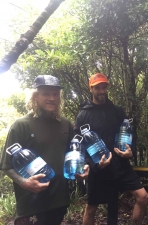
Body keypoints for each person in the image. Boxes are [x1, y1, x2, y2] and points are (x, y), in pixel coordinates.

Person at [0, 75, 89, 225]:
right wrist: (24, 182)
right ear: (35, 96)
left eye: (55, 94)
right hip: (32, 204)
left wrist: (82, 169)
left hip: (59, 201)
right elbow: (6, 166)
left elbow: (74, 154)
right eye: (46, 93)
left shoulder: (65, 123)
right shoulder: (21, 125)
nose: (52, 98)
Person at [74, 72, 148, 225]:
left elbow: (129, 132)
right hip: (98, 168)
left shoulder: (117, 111)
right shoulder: (83, 115)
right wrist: (92, 164)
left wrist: (130, 151)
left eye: (104, 87)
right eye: (98, 88)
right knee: (91, 208)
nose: (102, 91)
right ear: (91, 89)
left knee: (142, 197)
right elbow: (79, 144)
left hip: (119, 165)